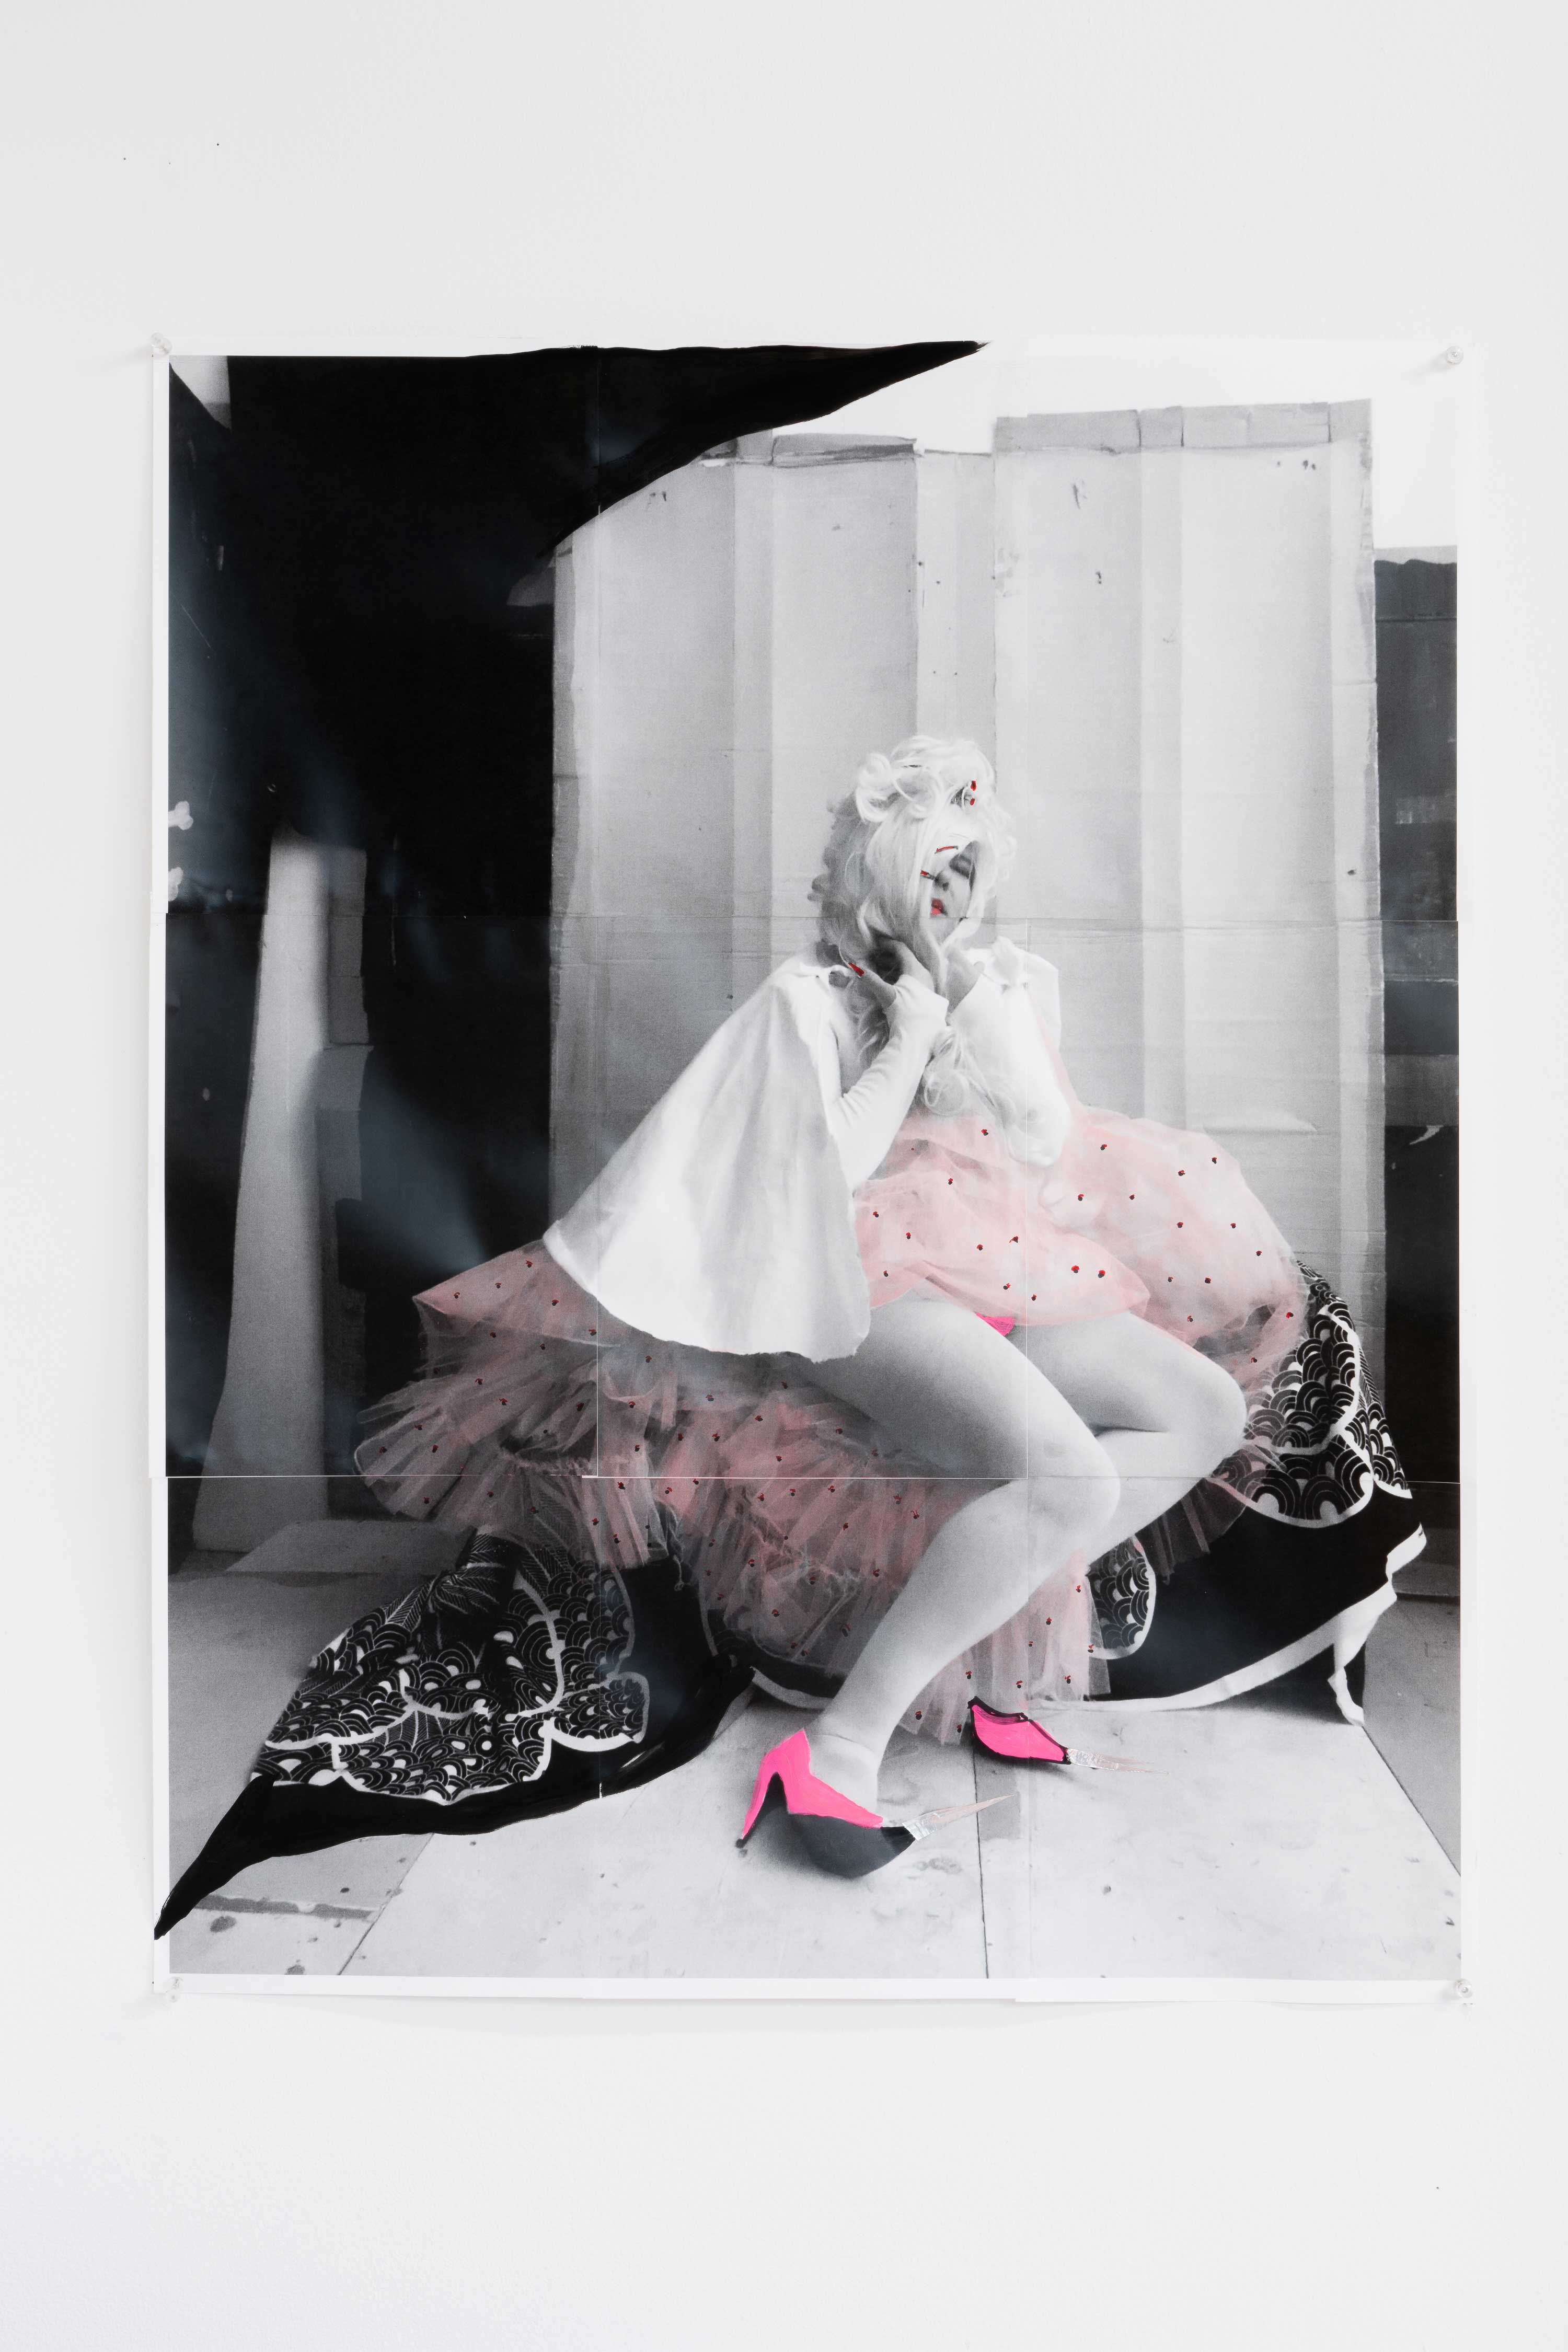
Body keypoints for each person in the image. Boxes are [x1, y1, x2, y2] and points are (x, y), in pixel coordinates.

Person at [357, 736, 1307, 1874]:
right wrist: (907, 1039)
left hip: (1002, 1264)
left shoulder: (1004, 984)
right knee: (1071, 1478)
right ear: (880, 865)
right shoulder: (804, 999)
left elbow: (1048, 1142)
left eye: (970, 870)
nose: (952, 891)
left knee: (1202, 1410)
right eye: (933, 865)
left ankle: (975, 1642)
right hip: (854, 1280)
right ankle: (841, 1747)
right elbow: (825, 1174)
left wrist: (976, 1013)